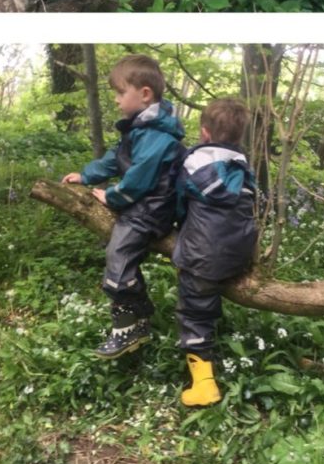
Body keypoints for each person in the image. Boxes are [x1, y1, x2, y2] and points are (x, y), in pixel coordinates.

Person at [61, 54, 185, 358]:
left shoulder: (157, 135)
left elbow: (140, 177)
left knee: (118, 255)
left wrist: (112, 196)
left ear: (144, 94)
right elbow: (116, 158)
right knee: (120, 254)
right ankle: (142, 313)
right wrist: (87, 175)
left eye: (120, 93)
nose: (116, 101)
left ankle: (128, 328)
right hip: (143, 204)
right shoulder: (138, 128)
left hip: (151, 209)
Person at [174, 98, 258, 407]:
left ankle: (205, 385)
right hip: (241, 252)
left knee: (194, 310)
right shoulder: (244, 166)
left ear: (205, 132)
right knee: (209, 290)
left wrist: (177, 227)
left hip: (204, 253)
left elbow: (180, 201)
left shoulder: (194, 162)